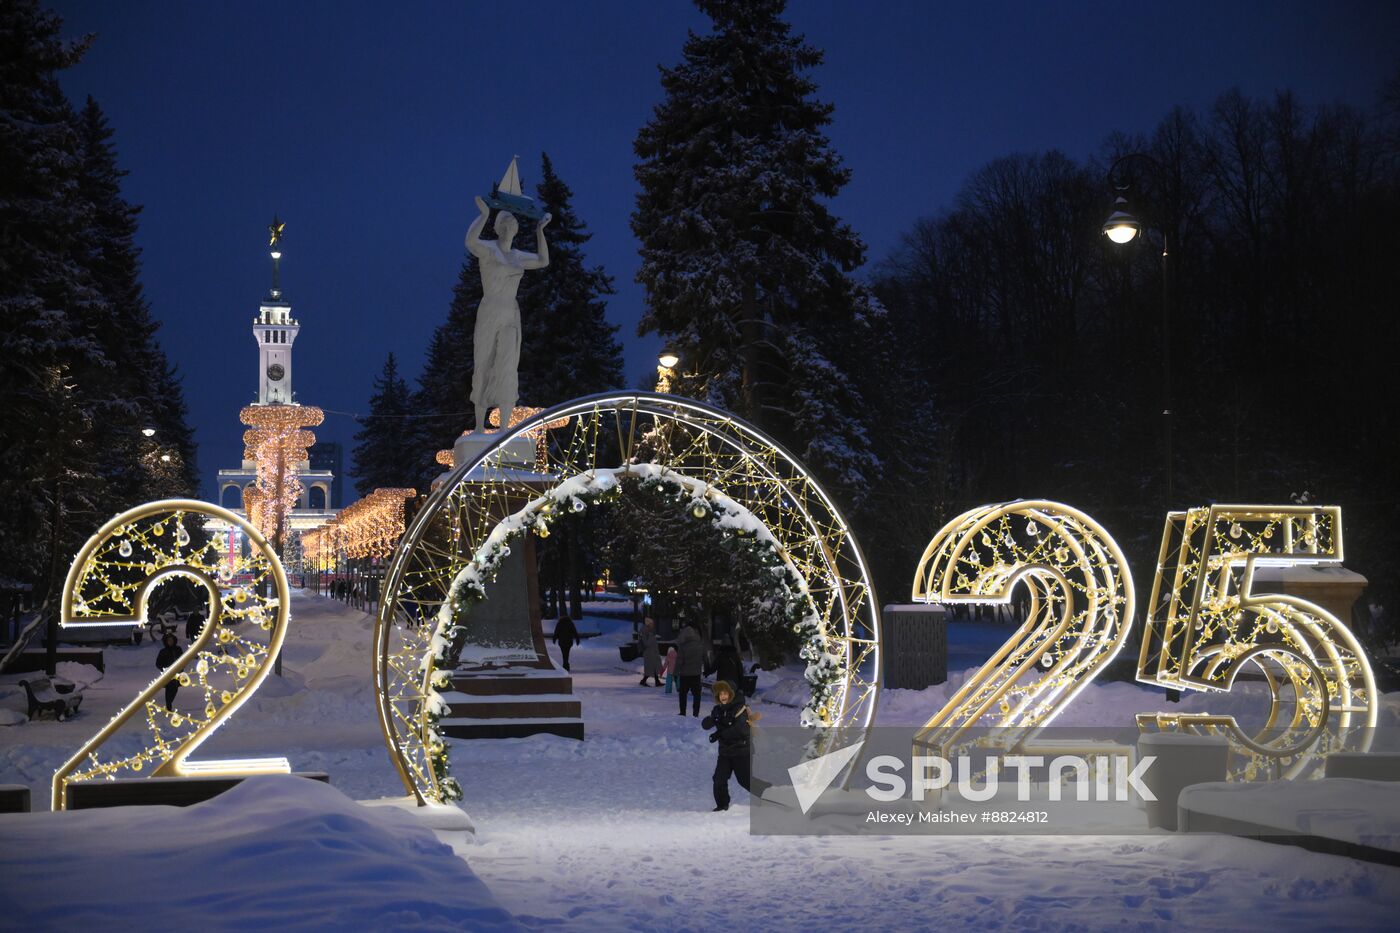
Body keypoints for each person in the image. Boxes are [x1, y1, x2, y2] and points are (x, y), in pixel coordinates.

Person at [465, 193, 552, 432]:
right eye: (505, 224)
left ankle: (504, 427)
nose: (509, 229)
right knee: (483, 362)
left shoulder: (517, 256)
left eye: (512, 225)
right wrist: (483, 215)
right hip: (490, 309)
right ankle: (479, 427)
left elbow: (543, 260)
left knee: (507, 365)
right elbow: (470, 242)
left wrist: (540, 231)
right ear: (497, 227)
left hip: (510, 313)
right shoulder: (489, 250)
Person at [702, 680, 760, 811]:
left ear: (731, 694)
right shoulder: (718, 710)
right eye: (720, 694)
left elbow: (741, 729)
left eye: (725, 693)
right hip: (725, 753)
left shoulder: (740, 709)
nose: (723, 696)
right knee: (718, 778)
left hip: (742, 751)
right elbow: (706, 725)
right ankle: (722, 805)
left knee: (745, 781)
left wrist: (720, 734)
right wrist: (711, 720)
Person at [674, 620, 705, 716]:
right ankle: (696, 713)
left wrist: (675, 672)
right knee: (697, 695)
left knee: (683, 694)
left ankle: (683, 712)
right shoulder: (699, 645)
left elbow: (679, 661)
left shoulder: (683, 647)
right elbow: (703, 658)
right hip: (696, 674)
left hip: (685, 674)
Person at [156, 632, 182, 711]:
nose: (170, 642)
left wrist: (181, 668)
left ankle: (169, 702)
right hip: (168, 674)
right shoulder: (163, 651)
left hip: (177, 673)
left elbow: (183, 659)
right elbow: (158, 663)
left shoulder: (178, 649)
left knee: (175, 689)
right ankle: (168, 705)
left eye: (171, 640)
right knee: (169, 689)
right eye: (168, 640)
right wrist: (164, 669)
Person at [638, 617, 662, 687]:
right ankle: (644, 681)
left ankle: (657, 681)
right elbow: (646, 643)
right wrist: (651, 637)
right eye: (652, 624)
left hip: (652, 652)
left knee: (653, 667)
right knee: (650, 667)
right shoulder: (645, 631)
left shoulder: (648, 631)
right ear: (649, 624)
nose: (653, 625)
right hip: (649, 653)